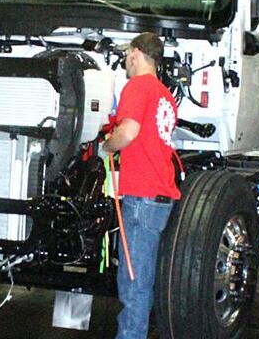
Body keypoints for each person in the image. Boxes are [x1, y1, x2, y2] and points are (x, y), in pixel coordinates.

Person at [101, 32, 179, 339]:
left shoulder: (137, 86)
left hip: (142, 197)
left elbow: (128, 132)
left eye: (126, 57)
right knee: (142, 280)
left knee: (133, 284)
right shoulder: (165, 94)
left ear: (135, 54)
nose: (125, 63)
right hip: (159, 194)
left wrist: (107, 146)